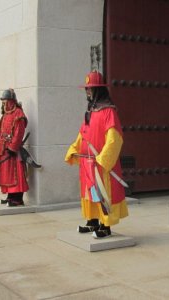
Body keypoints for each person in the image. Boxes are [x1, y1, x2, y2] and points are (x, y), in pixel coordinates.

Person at [65, 70, 129, 239]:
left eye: (90, 88)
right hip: (87, 163)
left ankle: (105, 226)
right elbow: (83, 134)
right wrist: (74, 149)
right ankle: (92, 221)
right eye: (86, 88)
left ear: (98, 90)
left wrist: (103, 160)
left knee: (102, 193)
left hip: (100, 164)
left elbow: (114, 138)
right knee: (90, 193)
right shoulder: (90, 111)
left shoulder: (109, 111)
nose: (87, 91)